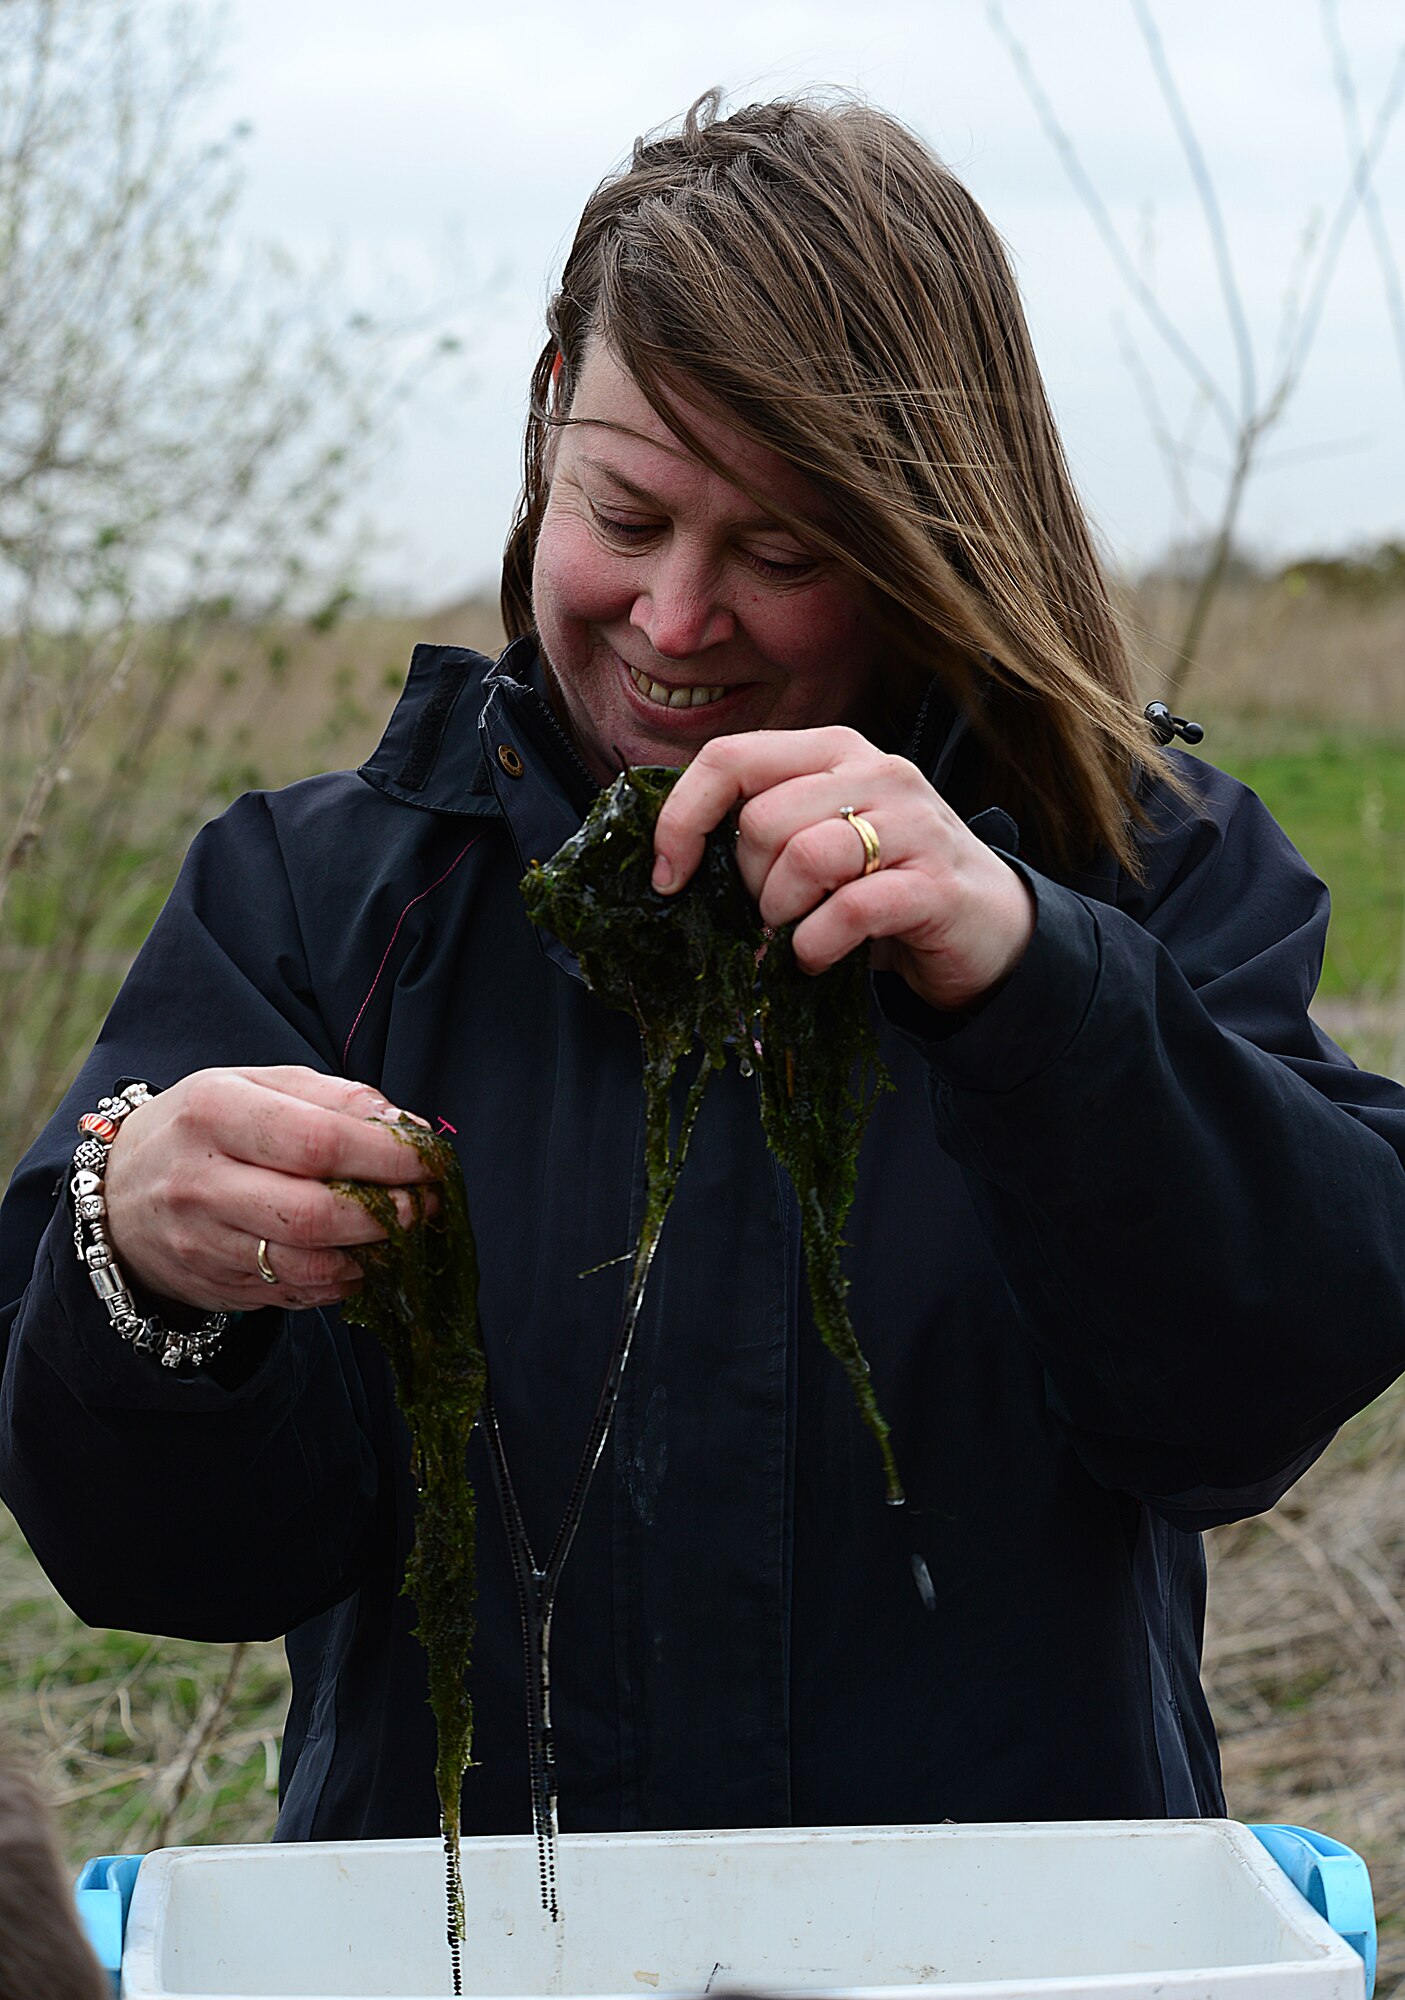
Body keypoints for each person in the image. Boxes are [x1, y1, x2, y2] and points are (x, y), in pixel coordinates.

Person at [3, 92, 1405, 1848]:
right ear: (544, 448)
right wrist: (144, 1278)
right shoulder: (314, 901)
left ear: (925, 548)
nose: (673, 619)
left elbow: (1242, 1408)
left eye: (781, 551)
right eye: (624, 511)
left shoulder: (1143, 870)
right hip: (458, 1954)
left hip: (1009, 1949)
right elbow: (178, 1563)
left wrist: (1036, 985)